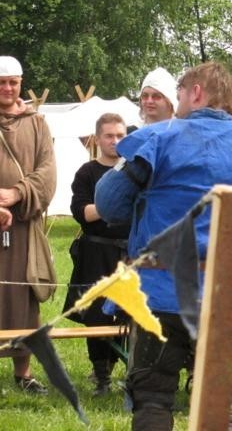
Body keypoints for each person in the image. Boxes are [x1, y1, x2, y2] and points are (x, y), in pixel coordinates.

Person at [95, 62, 232, 431]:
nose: (178, 100)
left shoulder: (160, 138)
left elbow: (109, 204)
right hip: (227, 296)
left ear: (196, 92)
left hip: (161, 293)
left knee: (152, 399)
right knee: (221, 411)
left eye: (180, 92)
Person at [0, 56, 57, 395]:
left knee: (22, 298)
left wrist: (16, 194)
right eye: (2, 82)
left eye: (13, 83)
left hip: (21, 228)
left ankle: (23, 372)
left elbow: (47, 172)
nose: (7, 89)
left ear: (21, 84)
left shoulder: (37, 124)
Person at [62, 113, 129, 396]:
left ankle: (128, 372)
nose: (115, 141)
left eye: (120, 136)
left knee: (130, 315)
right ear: (98, 138)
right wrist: (112, 203)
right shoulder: (87, 173)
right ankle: (101, 376)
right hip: (96, 251)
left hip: (130, 252)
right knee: (97, 317)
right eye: (109, 136)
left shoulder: (134, 171)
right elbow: (82, 213)